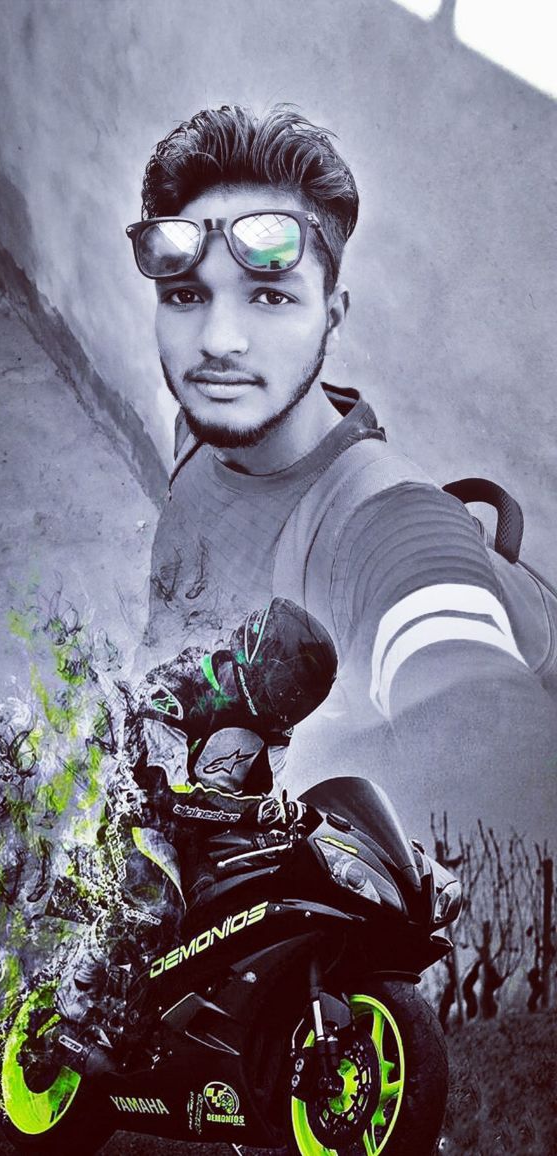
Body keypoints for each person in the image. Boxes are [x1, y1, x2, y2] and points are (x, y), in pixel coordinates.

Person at [125, 103, 557, 835]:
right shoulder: (199, 434)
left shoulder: (387, 521)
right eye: (188, 295)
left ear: (332, 314)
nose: (219, 341)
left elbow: (497, 769)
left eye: (270, 296)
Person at [55, 597, 337, 1037]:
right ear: (261, 655)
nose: (290, 703)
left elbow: (260, 797)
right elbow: (169, 794)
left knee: (252, 898)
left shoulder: (277, 728)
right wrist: (254, 812)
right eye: (287, 687)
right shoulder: (179, 686)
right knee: (160, 908)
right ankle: (79, 980)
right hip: (143, 818)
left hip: (209, 834)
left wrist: (281, 823)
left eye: (301, 698)